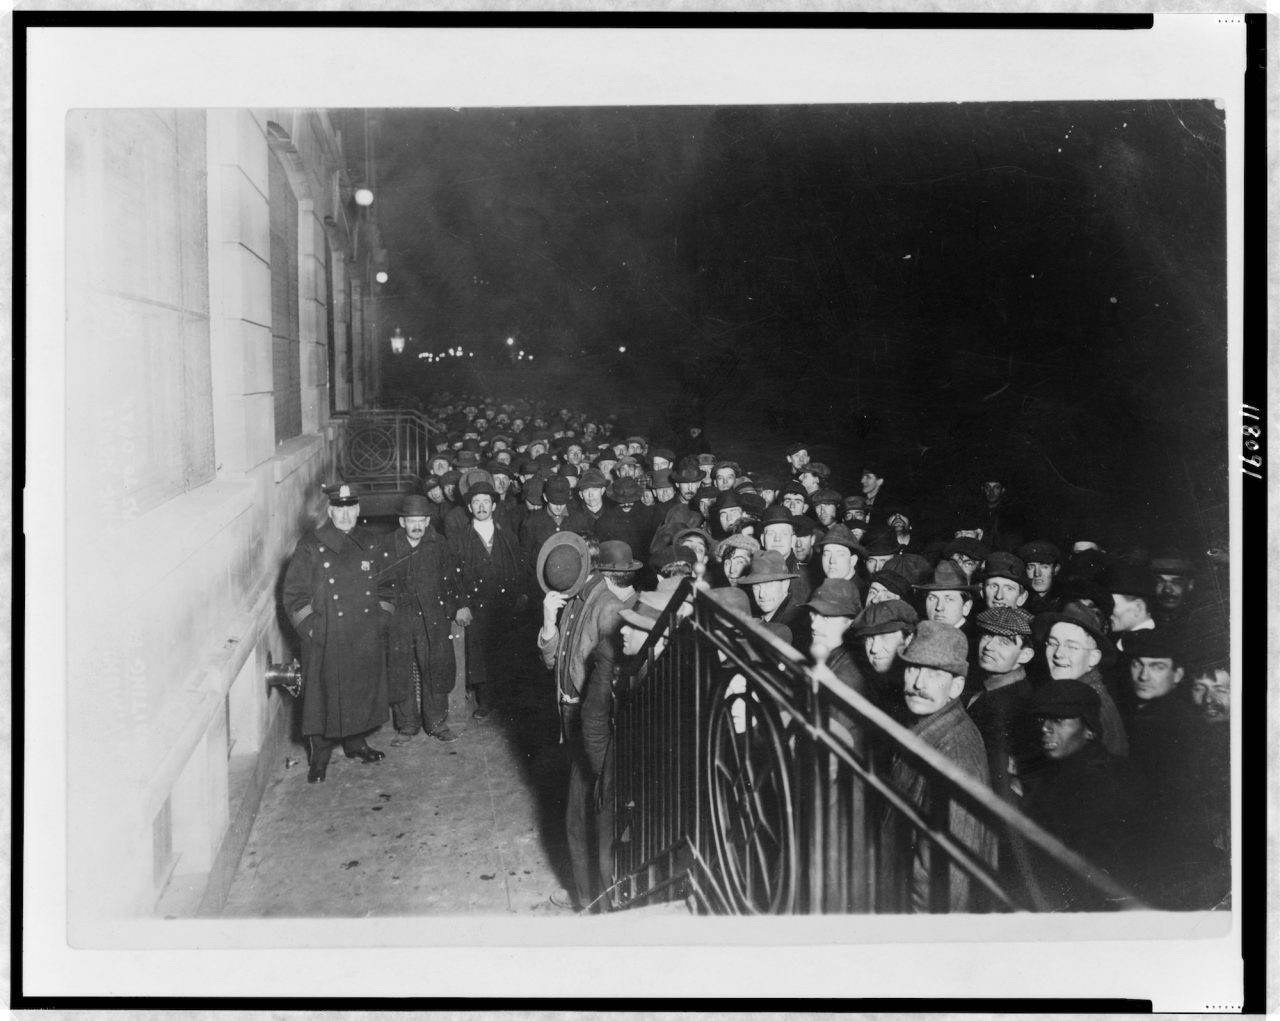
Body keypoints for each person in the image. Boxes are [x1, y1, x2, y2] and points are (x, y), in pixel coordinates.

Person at [537, 535, 640, 912]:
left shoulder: (607, 608)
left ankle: (600, 900)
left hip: (591, 724)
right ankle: (585, 895)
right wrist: (549, 622)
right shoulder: (575, 600)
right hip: (571, 717)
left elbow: (612, 681)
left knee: (593, 820)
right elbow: (553, 659)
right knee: (577, 819)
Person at [283, 482, 395, 783]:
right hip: (327, 638)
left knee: (360, 691)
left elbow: (388, 586)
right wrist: (313, 631)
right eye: (339, 510)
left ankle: (356, 744)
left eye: (351, 510)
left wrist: (381, 620)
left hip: (364, 635)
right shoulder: (311, 545)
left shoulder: (371, 543)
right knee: (322, 698)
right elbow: (294, 595)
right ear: (330, 511)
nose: (345, 516)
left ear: (358, 510)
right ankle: (319, 758)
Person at [889, 620, 995, 912]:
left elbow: (945, 882)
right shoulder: (927, 726)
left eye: (934, 673)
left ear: (957, 686)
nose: (918, 684)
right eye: (913, 668)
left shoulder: (955, 754)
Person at [1019, 679, 1135, 911]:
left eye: (1059, 720)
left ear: (1090, 729)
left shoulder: (1095, 784)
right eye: (1042, 719)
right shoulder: (1065, 772)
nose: (1045, 728)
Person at [381, 494, 463, 744]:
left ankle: (437, 723)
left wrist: (458, 606)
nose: (417, 526)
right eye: (411, 521)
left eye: (421, 520)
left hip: (432, 617)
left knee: (435, 667)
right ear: (402, 522)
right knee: (399, 669)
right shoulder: (387, 546)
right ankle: (407, 725)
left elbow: (451, 579)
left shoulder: (439, 544)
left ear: (428, 520)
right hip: (399, 618)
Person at [449, 480, 527, 720]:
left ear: (494, 505)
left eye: (486, 501)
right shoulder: (459, 538)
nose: (481, 506)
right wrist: (461, 604)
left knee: (506, 652)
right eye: (476, 502)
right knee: (479, 655)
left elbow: (519, 568)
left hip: (504, 605)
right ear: (469, 508)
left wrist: (521, 594)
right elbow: (452, 575)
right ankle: (485, 701)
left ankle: (507, 702)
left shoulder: (507, 535)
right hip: (476, 607)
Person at [1035, 603, 1129, 758]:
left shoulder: (1095, 706)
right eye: (1052, 643)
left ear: (1093, 657)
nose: (1058, 654)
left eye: (1072, 647)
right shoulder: (1069, 693)